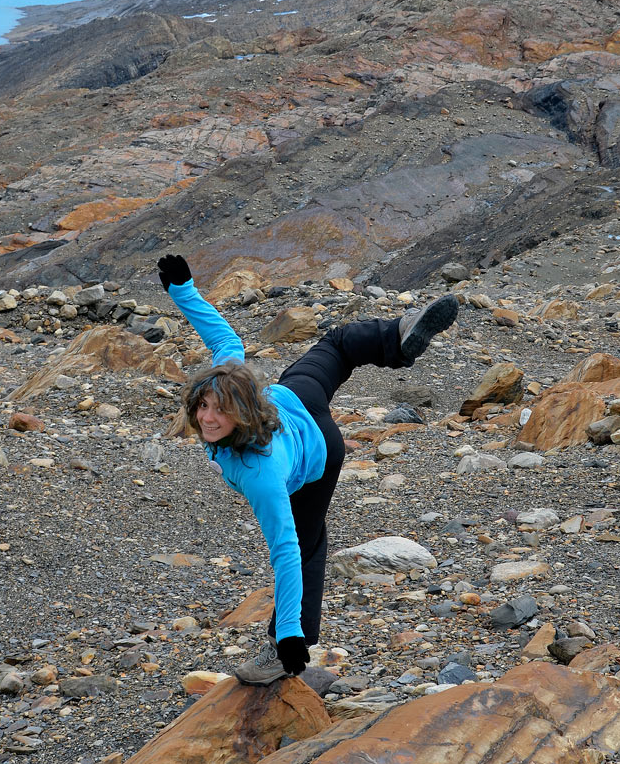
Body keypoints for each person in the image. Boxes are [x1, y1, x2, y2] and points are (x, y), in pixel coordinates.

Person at [157, 253, 459, 686]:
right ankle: (399, 332)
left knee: (306, 543)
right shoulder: (233, 383)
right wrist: (183, 290)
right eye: (203, 405)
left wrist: (289, 634)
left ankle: (282, 651)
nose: (206, 417)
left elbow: (285, 552)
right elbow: (224, 338)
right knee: (338, 344)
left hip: (318, 456)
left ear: (241, 412)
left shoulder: (260, 474)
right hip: (297, 398)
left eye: (219, 410)